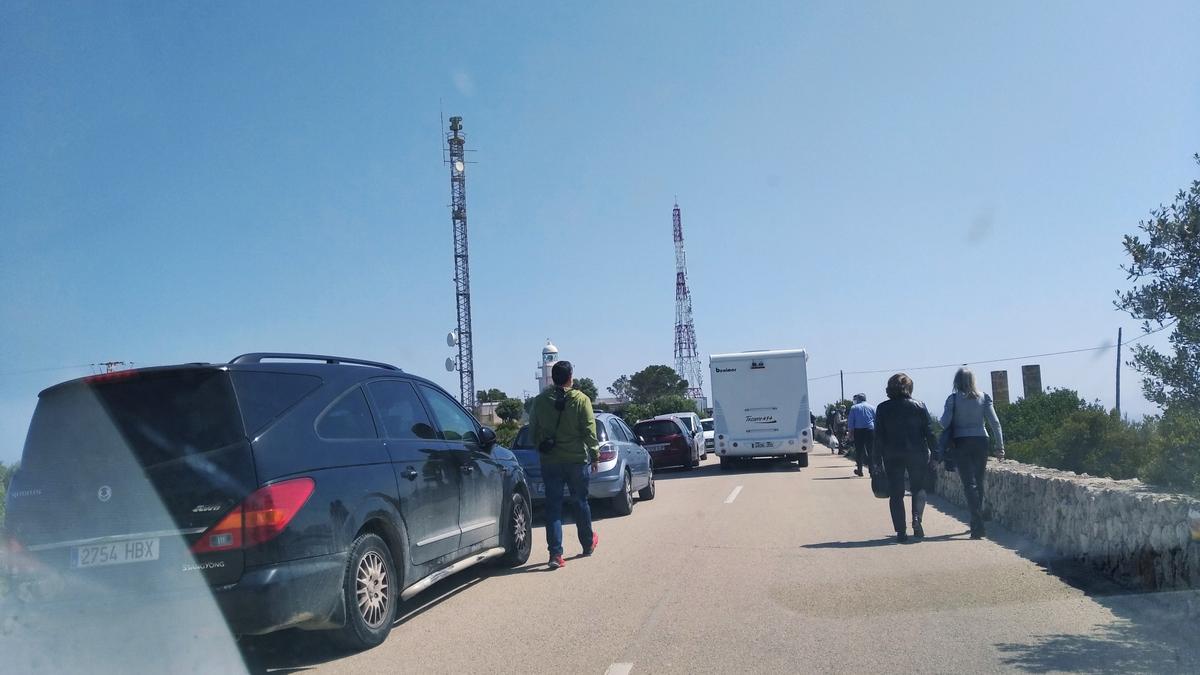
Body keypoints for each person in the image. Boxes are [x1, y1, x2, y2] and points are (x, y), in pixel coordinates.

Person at [529, 360, 600, 569]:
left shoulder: (540, 401)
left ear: (551, 378)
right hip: (577, 461)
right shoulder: (581, 400)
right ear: (571, 377)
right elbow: (589, 430)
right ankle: (587, 543)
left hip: (550, 462)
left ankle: (555, 554)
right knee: (580, 503)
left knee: (553, 507)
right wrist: (595, 455)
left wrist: (542, 447)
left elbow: (533, 431)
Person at [940, 367, 1005, 540]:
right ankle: (978, 521)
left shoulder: (953, 399)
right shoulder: (984, 398)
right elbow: (995, 423)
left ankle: (976, 522)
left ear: (956, 381)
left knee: (969, 483)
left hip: (961, 442)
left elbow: (943, 423)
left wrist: (950, 411)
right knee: (979, 481)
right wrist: (1000, 447)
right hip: (981, 441)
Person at [873, 373, 937, 543]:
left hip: (892, 453)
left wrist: (876, 461)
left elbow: (878, 437)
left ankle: (901, 532)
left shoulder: (882, 408)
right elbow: (929, 433)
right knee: (918, 488)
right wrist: (935, 455)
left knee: (896, 493)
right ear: (909, 387)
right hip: (917, 453)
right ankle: (917, 519)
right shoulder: (919, 405)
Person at [847, 393, 876, 477]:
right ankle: (872, 470)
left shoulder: (854, 408)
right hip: (870, 430)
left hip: (859, 431)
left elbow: (851, 422)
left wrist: (850, 434)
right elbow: (876, 420)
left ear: (858, 399)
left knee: (859, 451)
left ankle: (860, 470)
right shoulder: (872, 407)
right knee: (871, 450)